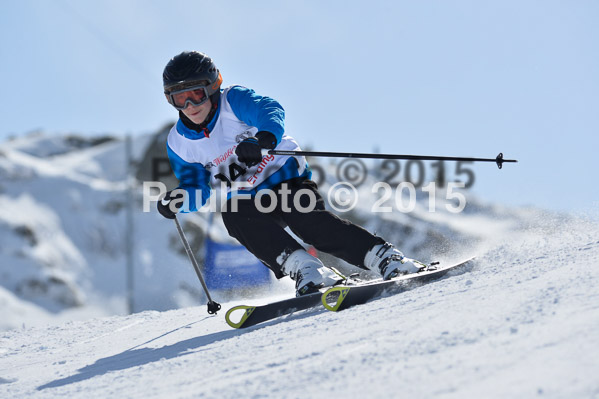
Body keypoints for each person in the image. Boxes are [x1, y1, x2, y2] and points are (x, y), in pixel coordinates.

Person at [157, 51, 425, 296]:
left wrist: (262, 139)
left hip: (286, 180)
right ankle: (309, 270)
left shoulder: (233, 101)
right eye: (179, 98)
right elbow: (195, 185)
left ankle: (387, 259)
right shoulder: (179, 143)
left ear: (213, 87)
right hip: (250, 199)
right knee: (234, 215)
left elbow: (269, 110)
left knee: (305, 221)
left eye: (196, 94)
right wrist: (180, 198)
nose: (190, 105)